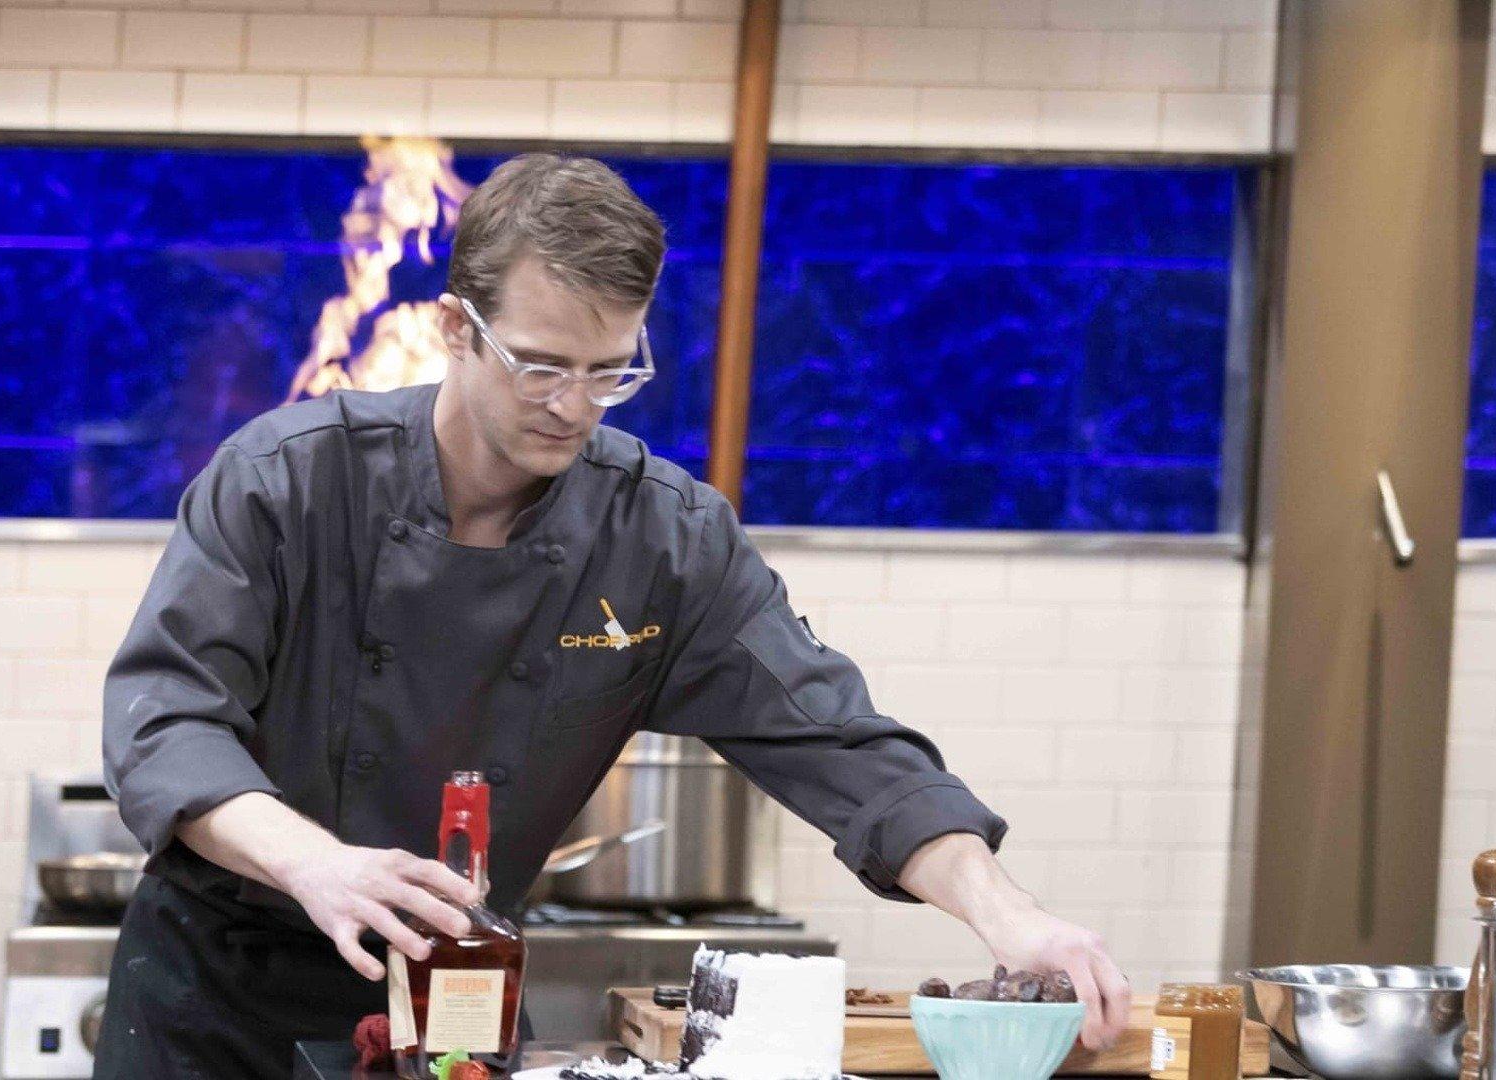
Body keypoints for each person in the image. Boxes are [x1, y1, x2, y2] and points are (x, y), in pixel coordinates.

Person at [95, 153, 1130, 1078]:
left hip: (451, 995)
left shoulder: (660, 538)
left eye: (610, 373)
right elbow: (166, 721)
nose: (573, 406)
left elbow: (838, 736)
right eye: (542, 366)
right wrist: (312, 861)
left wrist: (1011, 916)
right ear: (456, 328)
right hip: (213, 995)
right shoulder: (289, 481)